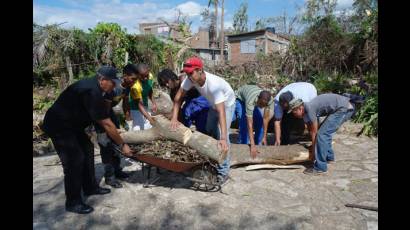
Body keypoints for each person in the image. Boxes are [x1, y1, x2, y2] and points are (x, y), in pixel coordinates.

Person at [41, 66, 134, 214]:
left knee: (87, 149)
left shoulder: (98, 88)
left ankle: (90, 187)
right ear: (103, 80)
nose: (114, 86)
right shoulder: (91, 91)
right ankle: (73, 202)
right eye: (112, 83)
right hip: (59, 126)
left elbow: (103, 116)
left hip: (74, 125)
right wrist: (122, 145)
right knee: (74, 160)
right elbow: (106, 122)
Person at [170, 57, 236, 185]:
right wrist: (174, 118)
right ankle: (212, 157)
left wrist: (222, 137)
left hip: (227, 104)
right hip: (213, 104)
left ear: (200, 70)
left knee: (222, 135)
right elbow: (178, 98)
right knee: (209, 129)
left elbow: (221, 111)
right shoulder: (189, 80)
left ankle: (223, 172)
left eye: (191, 73)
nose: (189, 76)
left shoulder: (214, 85)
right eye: (187, 73)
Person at [94, 64, 138, 189]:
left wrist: (126, 117)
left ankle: (117, 170)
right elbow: (105, 111)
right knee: (106, 146)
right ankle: (110, 177)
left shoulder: (127, 87)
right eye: (133, 79)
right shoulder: (113, 87)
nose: (134, 82)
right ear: (125, 76)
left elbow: (125, 101)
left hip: (111, 115)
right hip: (102, 117)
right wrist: (111, 127)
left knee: (117, 145)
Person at [288, 93, 355, 175]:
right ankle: (328, 157)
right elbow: (310, 129)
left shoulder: (309, 108)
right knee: (324, 132)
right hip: (340, 108)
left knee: (322, 135)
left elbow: (315, 132)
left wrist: (313, 152)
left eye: (294, 112)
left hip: (344, 108)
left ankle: (320, 167)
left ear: (300, 108)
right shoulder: (305, 111)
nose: (294, 115)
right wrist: (313, 147)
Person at [157, 68, 210, 133]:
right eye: (164, 84)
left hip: (201, 101)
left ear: (172, 77)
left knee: (201, 125)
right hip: (190, 105)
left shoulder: (184, 79)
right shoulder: (173, 93)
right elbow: (176, 106)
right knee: (184, 117)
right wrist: (174, 119)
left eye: (167, 82)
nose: (167, 85)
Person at [233, 85, 273, 158]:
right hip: (241, 99)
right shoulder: (250, 102)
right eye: (261, 104)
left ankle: (259, 146)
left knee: (260, 122)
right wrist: (252, 144)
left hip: (253, 96)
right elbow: (250, 124)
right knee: (244, 123)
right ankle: (243, 147)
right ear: (258, 98)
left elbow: (265, 118)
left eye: (264, 105)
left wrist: (264, 136)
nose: (261, 107)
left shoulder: (270, 101)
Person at [129, 63, 157, 130]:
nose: (145, 78)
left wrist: (154, 103)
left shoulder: (150, 76)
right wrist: (150, 118)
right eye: (142, 76)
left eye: (146, 76)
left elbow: (150, 90)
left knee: (148, 128)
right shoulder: (135, 85)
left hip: (145, 105)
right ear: (137, 75)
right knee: (138, 129)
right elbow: (140, 105)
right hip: (135, 108)